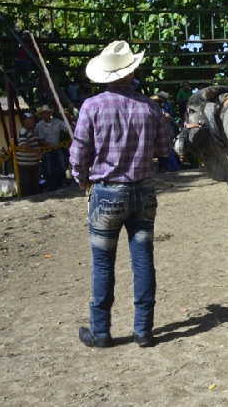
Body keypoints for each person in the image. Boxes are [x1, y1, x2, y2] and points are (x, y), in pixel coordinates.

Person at [69, 40, 170, 348]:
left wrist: (81, 178)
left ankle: (101, 332)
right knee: (142, 260)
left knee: (102, 264)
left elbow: (78, 154)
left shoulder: (92, 107)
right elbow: (164, 151)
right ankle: (144, 330)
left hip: (106, 193)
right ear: (131, 72)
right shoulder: (150, 108)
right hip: (142, 192)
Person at [35, 104, 69, 191]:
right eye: (43, 113)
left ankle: (62, 181)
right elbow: (39, 139)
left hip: (57, 147)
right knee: (49, 168)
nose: (45, 115)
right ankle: (51, 185)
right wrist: (48, 145)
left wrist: (68, 118)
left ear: (50, 113)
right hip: (47, 150)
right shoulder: (39, 125)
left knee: (62, 164)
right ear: (41, 115)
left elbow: (67, 128)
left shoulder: (57, 122)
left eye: (47, 113)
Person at [16, 112, 42, 197]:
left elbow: (36, 140)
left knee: (33, 183)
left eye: (33, 119)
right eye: (30, 119)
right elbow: (23, 146)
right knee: (26, 184)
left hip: (33, 163)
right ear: (25, 121)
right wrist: (36, 151)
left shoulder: (31, 131)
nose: (33, 121)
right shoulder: (23, 131)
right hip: (25, 164)